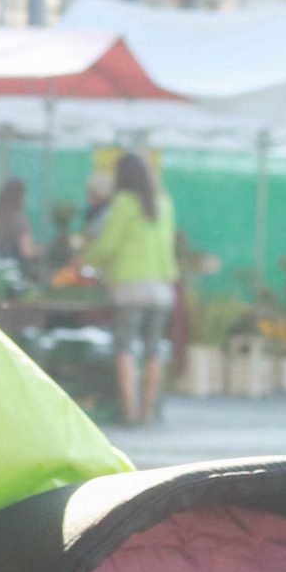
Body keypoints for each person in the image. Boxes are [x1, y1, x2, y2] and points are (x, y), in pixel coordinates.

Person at [76, 150, 178, 426]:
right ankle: (148, 410)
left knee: (125, 346)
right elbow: (168, 245)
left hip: (129, 286)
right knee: (154, 348)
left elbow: (108, 244)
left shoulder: (123, 202)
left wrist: (85, 258)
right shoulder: (163, 202)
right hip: (161, 285)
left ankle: (130, 410)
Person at [0, 177, 38, 268]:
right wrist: (41, 252)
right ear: (20, 197)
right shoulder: (20, 219)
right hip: (16, 269)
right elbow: (26, 252)